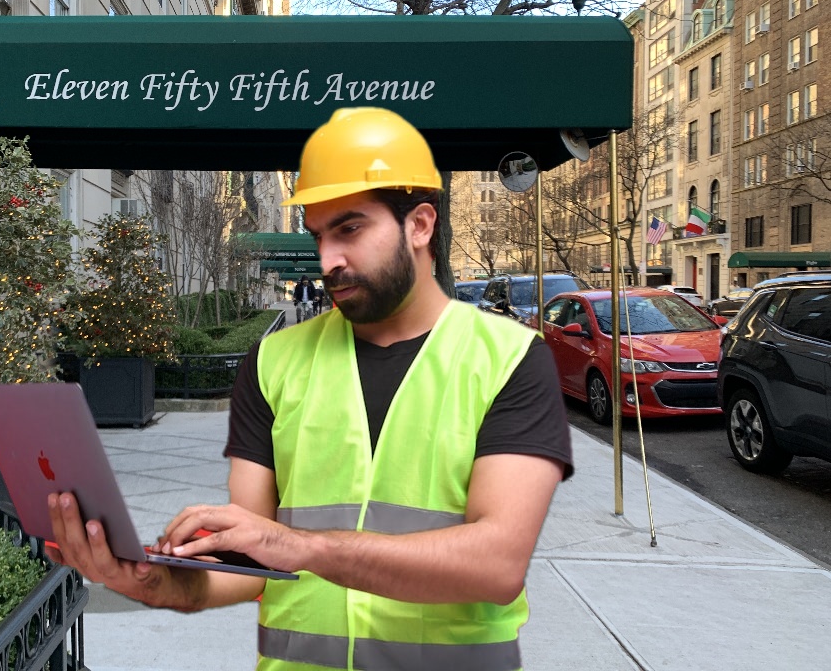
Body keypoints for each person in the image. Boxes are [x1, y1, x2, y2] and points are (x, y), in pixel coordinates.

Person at [47, 107, 573, 671]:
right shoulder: (274, 361)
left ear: (420, 225)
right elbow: (250, 570)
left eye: (349, 229)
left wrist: (301, 546)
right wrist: (161, 584)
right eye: (319, 235)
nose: (327, 260)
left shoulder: (511, 359)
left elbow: (496, 566)